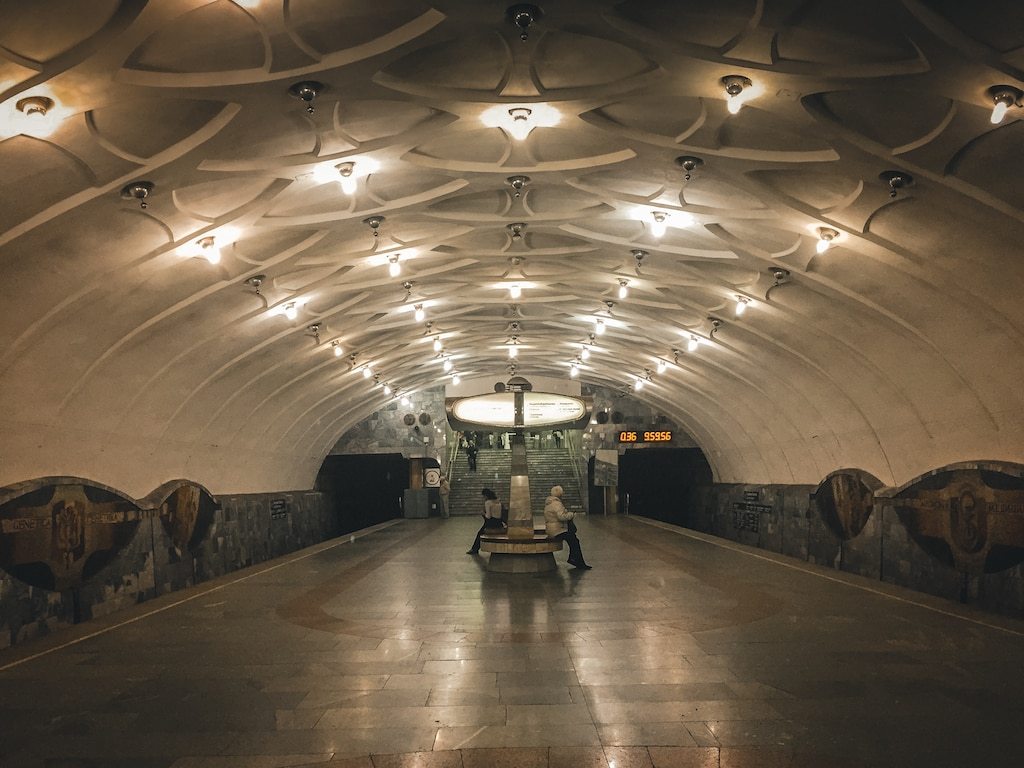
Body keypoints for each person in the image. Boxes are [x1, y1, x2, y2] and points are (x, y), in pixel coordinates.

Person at [544, 485, 591, 569]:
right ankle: (577, 561)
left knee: (573, 539)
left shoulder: (549, 503)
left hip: (552, 529)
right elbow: (561, 517)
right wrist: (571, 514)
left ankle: (574, 559)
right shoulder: (557, 504)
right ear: (559, 494)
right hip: (557, 530)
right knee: (574, 540)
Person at [467, 488, 504, 554]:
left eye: (483, 496)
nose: (483, 498)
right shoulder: (498, 501)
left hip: (491, 522)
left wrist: (483, 513)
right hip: (499, 522)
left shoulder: (488, 502)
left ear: (486, 495)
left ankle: (474, 549)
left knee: (479, 533)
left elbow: (488, 516)